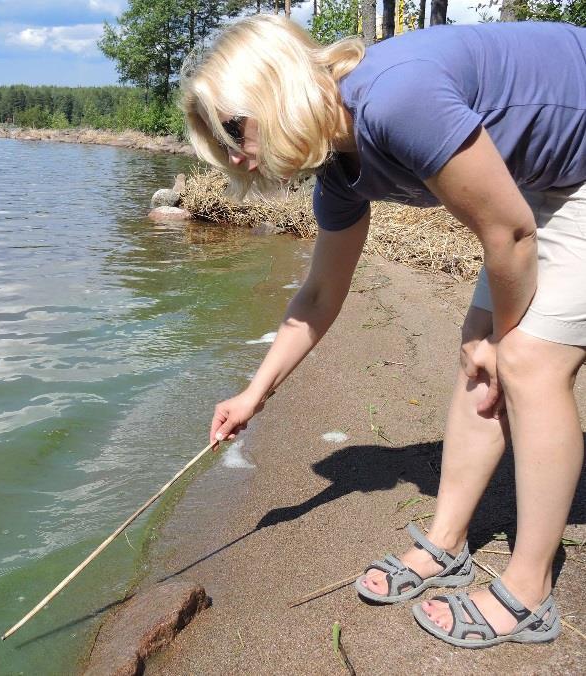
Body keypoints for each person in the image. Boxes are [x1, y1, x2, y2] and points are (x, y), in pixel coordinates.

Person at [181, 15, 586, 648]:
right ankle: (447, 542)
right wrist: (252, 395)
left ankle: (530, 591)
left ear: (274, 86)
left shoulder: (396, 98)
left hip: (576, 161)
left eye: (234, 127)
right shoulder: (340, 172)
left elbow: (508, 234)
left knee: (528, 358)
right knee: (478, 355)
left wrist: (503, 338)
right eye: (219, 139)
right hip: (542, 174)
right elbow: (318, 294)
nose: (234, 154)